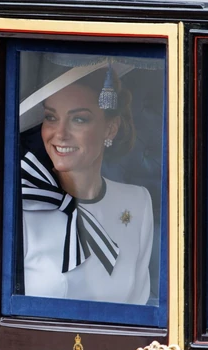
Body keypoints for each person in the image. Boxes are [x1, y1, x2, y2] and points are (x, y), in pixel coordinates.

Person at [21, 65, 153, 304]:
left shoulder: (137, 203)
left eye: (79, 119)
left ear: (110, 128)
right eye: (51, 117)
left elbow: (138, 305)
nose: (60, 134)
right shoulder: (22, 203)